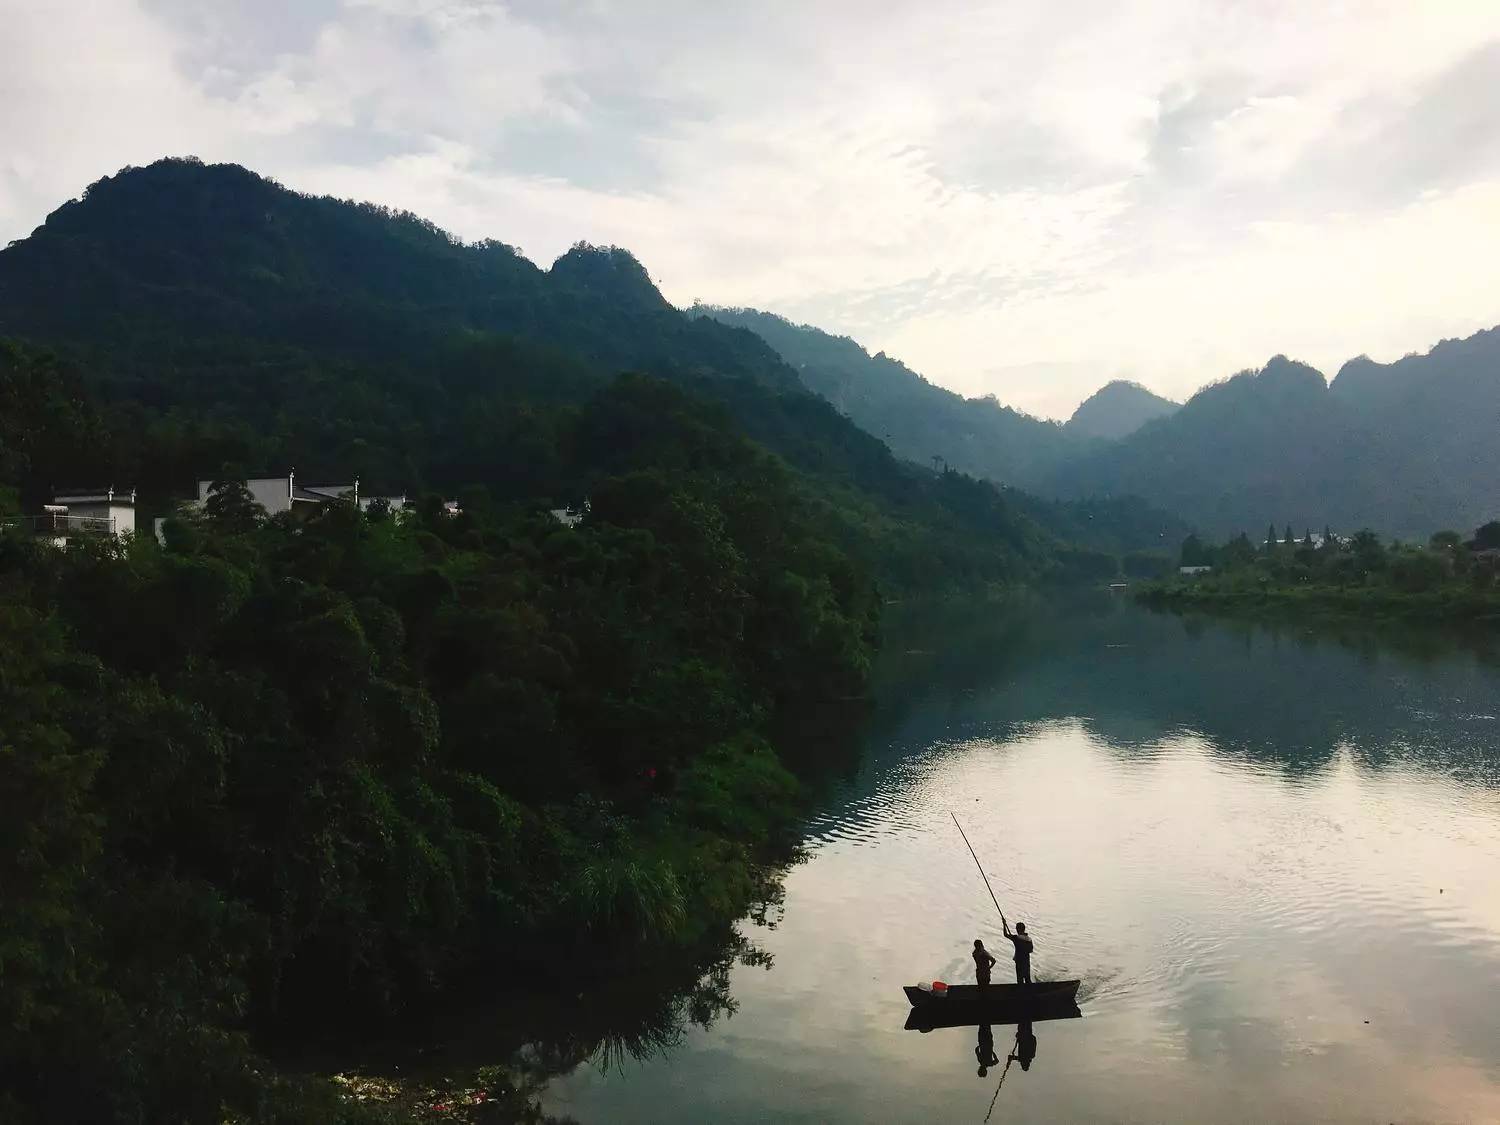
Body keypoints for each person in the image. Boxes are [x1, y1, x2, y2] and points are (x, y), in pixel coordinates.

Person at [1002, 917, 1033, 984]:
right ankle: (1031, 992)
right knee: (1027, 979)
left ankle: (1021, 993)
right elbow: (1030, 950)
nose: (1016, 929)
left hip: (1019, 962)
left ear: (1018, 929)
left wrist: (1004, 924)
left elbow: (1005, 934)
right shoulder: (1029, 939)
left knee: (1020, 980)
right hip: (1027, 962)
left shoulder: (1016, 938)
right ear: (1024, 929)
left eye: (1016, 928)